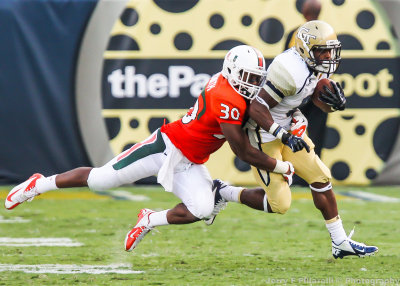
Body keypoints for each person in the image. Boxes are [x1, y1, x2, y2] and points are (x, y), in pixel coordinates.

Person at [5, 45, 309, 252]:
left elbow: (258, 111)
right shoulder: (225, 96)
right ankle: (39, 184)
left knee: (202, 210)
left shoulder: (233, 89)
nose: (253, 84)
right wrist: (280, 165)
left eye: (256, 79)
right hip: (165, 146)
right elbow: (242, 150)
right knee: (100, 180)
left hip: (191, 161)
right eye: (248, 78)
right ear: (231, 72)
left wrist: (287, 122)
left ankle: (149, 219)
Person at [206, 21, 379, 259]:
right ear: (306, 49)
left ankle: (340, 242)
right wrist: (282, 134)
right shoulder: (289, 70)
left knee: (321, 177)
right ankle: (223, 192)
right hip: (263, 134)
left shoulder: (317, 65)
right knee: (280, 204)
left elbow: (312, 99)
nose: (328, 56)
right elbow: (257, 108)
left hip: (288, 128)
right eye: (322, 51)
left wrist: (333, 104)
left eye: (330, 50)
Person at [284, 0, 326, 161]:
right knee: (317, 134)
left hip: (298, 89)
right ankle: (316, 172)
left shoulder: (294, 34)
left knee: (294, 131)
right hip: (318, 90)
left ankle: (295, 170)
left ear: (303, 12)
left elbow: (284, 62)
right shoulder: (326, 33)